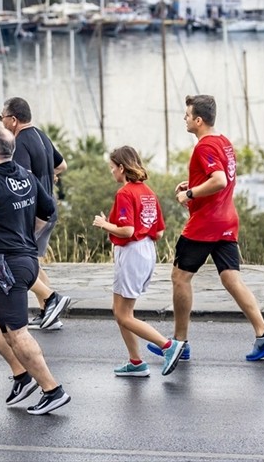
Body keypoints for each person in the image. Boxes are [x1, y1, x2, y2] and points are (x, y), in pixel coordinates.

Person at [148, 94, 264, 364]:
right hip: (227, 220)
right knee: (231, 278)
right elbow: (221, 177)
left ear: (198, 120)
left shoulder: (203, 147)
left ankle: (179, 343)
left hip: (205, 224)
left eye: (187, 115)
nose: (184, 119)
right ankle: (263, 333)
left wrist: (192, 194)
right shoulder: (224, 142)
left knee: (180, 278)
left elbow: (219, 180)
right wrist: (193, 183)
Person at [0, 126, 71, 415]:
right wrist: (27, 236)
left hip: (4, 268)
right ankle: (22, 375)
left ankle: (52, 389)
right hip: (27, 263)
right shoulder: (26, 176)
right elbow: (49, 210)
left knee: (17, 333)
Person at [91, 146, 183, 377]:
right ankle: (135, 362)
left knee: (123, 315)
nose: (112, 172)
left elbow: (127, 229)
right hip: (147, 250)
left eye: (112, 168)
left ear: (122, 168)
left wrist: (105, 224)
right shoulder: (148, 192)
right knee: (120, 311)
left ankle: (168, 346)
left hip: (131, 252)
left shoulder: (125, 193)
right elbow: (159, 232)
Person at [0, 97, 70, 329]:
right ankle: (49, 313)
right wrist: (46, 175)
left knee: (20, 263)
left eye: (2, 118)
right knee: (34, 263)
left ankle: (53, 300)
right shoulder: (41, 135)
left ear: (13, 120)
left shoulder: (19, 142)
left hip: (35, 214)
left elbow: (23, 179)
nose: (1, 123)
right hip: (50, 208)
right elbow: (62, 166)